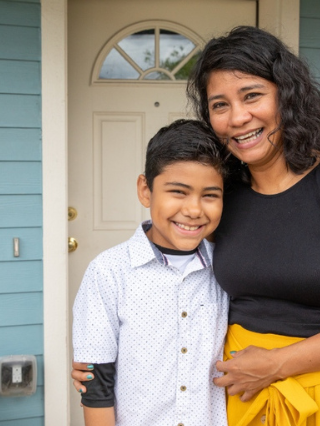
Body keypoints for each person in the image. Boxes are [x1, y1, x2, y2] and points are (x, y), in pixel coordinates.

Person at [74, 26, 320, 426]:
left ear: (286, 95)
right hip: (237, 398)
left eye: (252, 95)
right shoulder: (221, 198)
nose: (237, 118)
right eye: (219, 105)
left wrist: (278, 363)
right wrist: (103, 361)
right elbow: (172, 280)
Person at [72, 119, 231, 426]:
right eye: (178, 192)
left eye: (210, 195)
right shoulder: (108, 272)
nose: (195, 209)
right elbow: (95, 385)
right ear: (146, 190)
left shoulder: (226, 269)